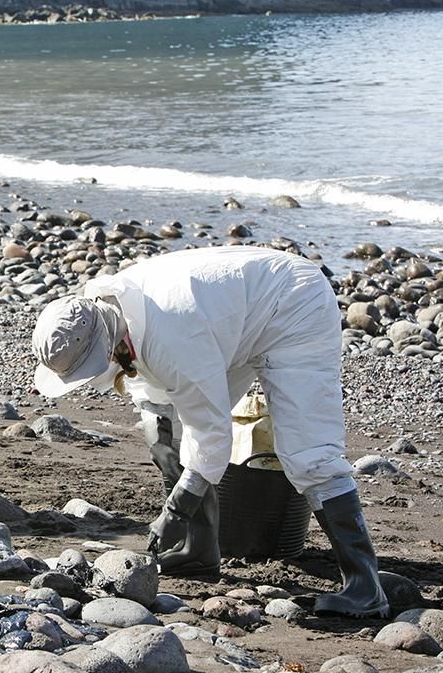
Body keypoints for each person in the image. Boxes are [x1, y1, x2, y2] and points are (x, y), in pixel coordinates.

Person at [31, 245, 389, 618]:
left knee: (308, 453)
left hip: (294, 305)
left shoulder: (172, 335)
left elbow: (213, 430)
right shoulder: (108, 310)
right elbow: (150, 378)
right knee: (166, 434)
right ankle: (199, 551)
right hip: (231, 319)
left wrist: (177, 507)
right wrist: (159, 430)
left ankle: (365, 585)